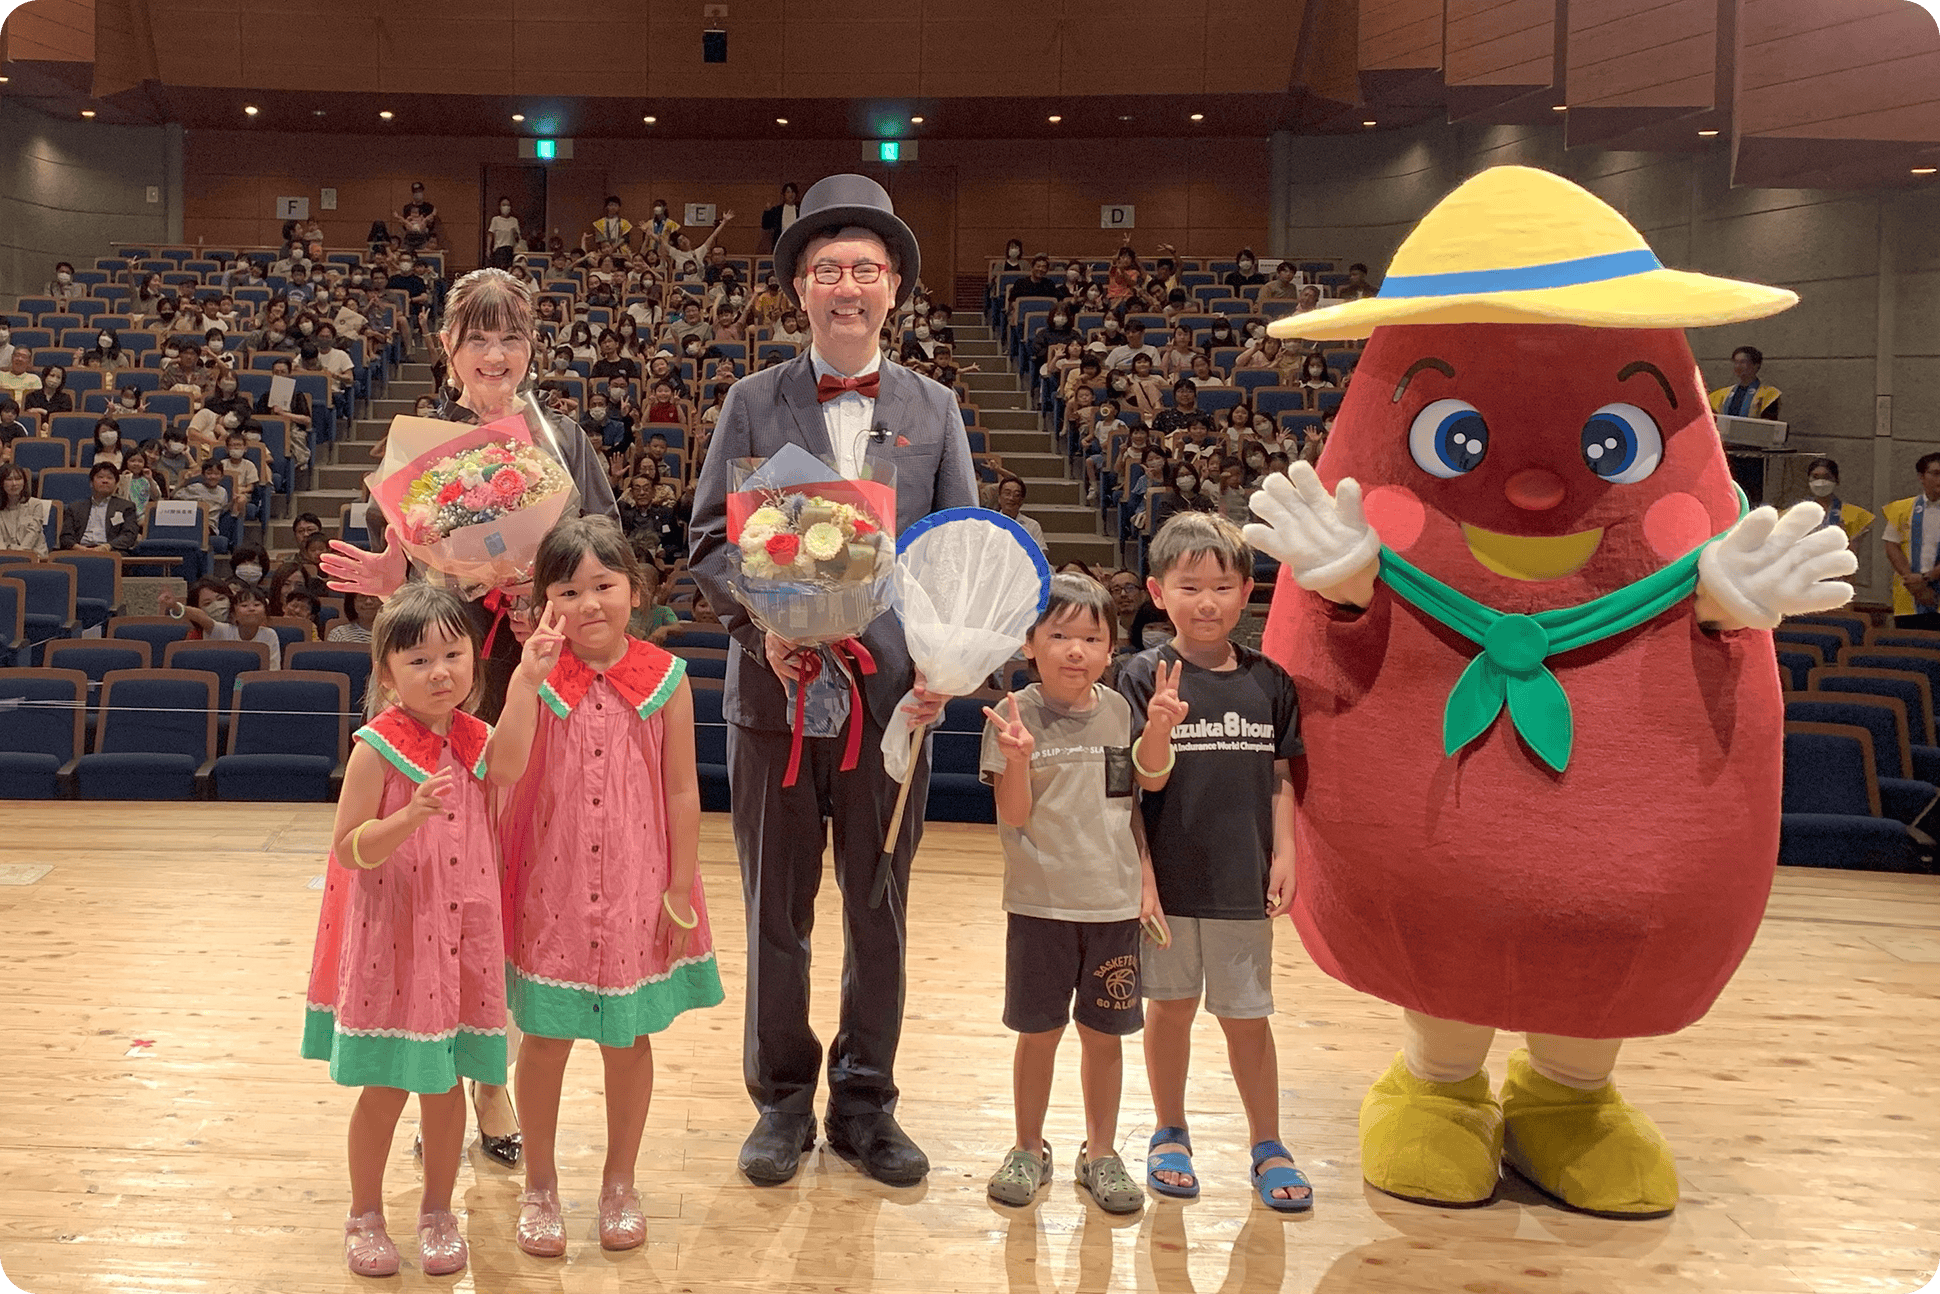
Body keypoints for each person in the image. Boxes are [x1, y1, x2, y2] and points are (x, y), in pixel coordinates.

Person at [687, 174, 977, 1188]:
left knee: (878, 907)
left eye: (864, 269)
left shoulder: (935, 408)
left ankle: (864, 1103)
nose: (845, 287)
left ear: (894, 286)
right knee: (777, 912)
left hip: (892, 708)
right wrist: (759, 624)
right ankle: (779, 1103)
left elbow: (955, 556)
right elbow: (705, 544)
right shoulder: (749, 401)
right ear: (799, 289)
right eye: (825, 270)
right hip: (772, 703)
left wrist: (944, 665)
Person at [301, 583, 551, 1278]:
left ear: (474, 660)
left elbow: (511, 764)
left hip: (464, 938)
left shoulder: (472, 738)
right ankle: (365, 1215)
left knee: (446, 1087)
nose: (440, 671)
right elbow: (349, 847)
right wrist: (405, 819)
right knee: (386, 1089)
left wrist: (528, 681)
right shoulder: (376, 749)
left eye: (453, 655)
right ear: (387, 674)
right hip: (396, 941)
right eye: (418, 660)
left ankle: (438, 1212)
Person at [499, 517, 721, 1257]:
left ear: (636, 589)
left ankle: (619, 1182)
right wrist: (525, 680)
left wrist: (680, 887)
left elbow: (682, 789)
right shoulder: (535, 674)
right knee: (545, 1038)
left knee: (628, 1039)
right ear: (543, 603)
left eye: (604, 585)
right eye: (568, 591)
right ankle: (539, 1185)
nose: (588, 603)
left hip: (637, 888)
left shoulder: (667, 679)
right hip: (551, 887)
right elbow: (503, 767)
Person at [320, 267, 621, 723]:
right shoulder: (417, 444)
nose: (495, 355)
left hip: (547, 651)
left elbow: (609, 550)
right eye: (477, 338)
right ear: (447, 344)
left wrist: (550, 590)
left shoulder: (563, 438)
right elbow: (402, 575)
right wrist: (393, 588)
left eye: (510, 338)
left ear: (532, 344)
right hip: (441, 661)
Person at [1115, 512, 1311, 1211]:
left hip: (1241, 879)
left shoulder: (1271, 681)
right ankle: (1169, 1131)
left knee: (1247, 1016)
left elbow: (1282, 776)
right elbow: (1131, 789)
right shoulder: (1139, 676)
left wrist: (1286, 852)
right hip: (1167, 885)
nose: (1206, 602)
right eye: (1189, 586)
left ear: (1248, 592)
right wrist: (1142, 876)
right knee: (1169, 1009)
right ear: (1157, 592)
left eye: (1222, 587)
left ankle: (1268, 1144)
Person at [978, 575, 1181, 1214]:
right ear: (1029, 643)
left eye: (1092, 638)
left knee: (1104, 1036)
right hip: (1039, 907)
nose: (1076, 650)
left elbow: (1143, 786)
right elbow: (1014, 815)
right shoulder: (1011, 716)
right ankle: (1027, 1148)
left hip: (1112, 908)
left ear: (1110, 648)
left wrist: (1159, 728)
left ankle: (1101, 1153)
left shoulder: (1119, 710)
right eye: (1060, 635)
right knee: (1038, 1035)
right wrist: (1017, 760)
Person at [1881, 452, 1940, 628]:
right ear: (1921, 477)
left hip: (1933, 590)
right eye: (1936, 473)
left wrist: (1926, 579)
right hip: (1909, 595)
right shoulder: (1902, 508)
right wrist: (1914, 583)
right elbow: (1892, 545)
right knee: (1908, 642)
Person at [162, 582, 282, 666]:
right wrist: (175, 606)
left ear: (265, 612)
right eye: (244, 605)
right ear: (233, 615)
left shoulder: (270, 635)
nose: (251, 609)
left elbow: (272, 670)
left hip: (253, 685)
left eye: (257, 605)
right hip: (226, 682)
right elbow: (201, 617)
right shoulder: (223, 630)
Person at [60, 462, 140, 553]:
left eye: (109, 478)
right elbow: (65, 536)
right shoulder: (75, 507)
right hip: (79, 551)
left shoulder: (126, 507)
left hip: (111, 552)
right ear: (91, 483)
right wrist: (80, 549)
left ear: (116, 484)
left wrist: (106, 547)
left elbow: (129, 535)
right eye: (100, 477)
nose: (105, 480)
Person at [1801, 457, 1872, 552]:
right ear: (1808, 481)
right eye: (1815, 477)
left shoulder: (1855, 515)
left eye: (1827, 477)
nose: (1821, 482)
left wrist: (1843, 534)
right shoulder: (1797, 513)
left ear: (1837, 480)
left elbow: (1851, 554)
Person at [1708, 345, 1782, 420]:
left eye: (1743, 362)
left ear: (1756, 365)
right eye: (1736, 362)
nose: (1738, 366)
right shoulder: (1723, 394)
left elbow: (1768, 424)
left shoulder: (1769, 394)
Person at [0, 464, 47, 556]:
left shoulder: (35, 504)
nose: (14, 483)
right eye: (9, 479)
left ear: (24, 482)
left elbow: (33, 534)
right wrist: (5, 556)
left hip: (33, 555)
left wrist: (18, 555)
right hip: (4, 557)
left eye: (18, 479)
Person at [759, 182, 801, 253]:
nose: (791, 194)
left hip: (797, 244)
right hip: (780, 244)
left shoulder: (800, 209)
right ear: (784, 194)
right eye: (788, 192)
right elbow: (766, 226)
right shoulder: (777, 210)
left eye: (793, 192)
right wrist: (767, 211)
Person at [488, 198, 523, 269]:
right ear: (500, 207)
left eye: (508, 205)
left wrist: (515, 233)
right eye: (504, 205)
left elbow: (518, 238)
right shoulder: (495, 220)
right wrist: (488, 249)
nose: (506, 207)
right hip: (499, 250)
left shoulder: (514, 220)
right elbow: (490, 234)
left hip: (510, 250)